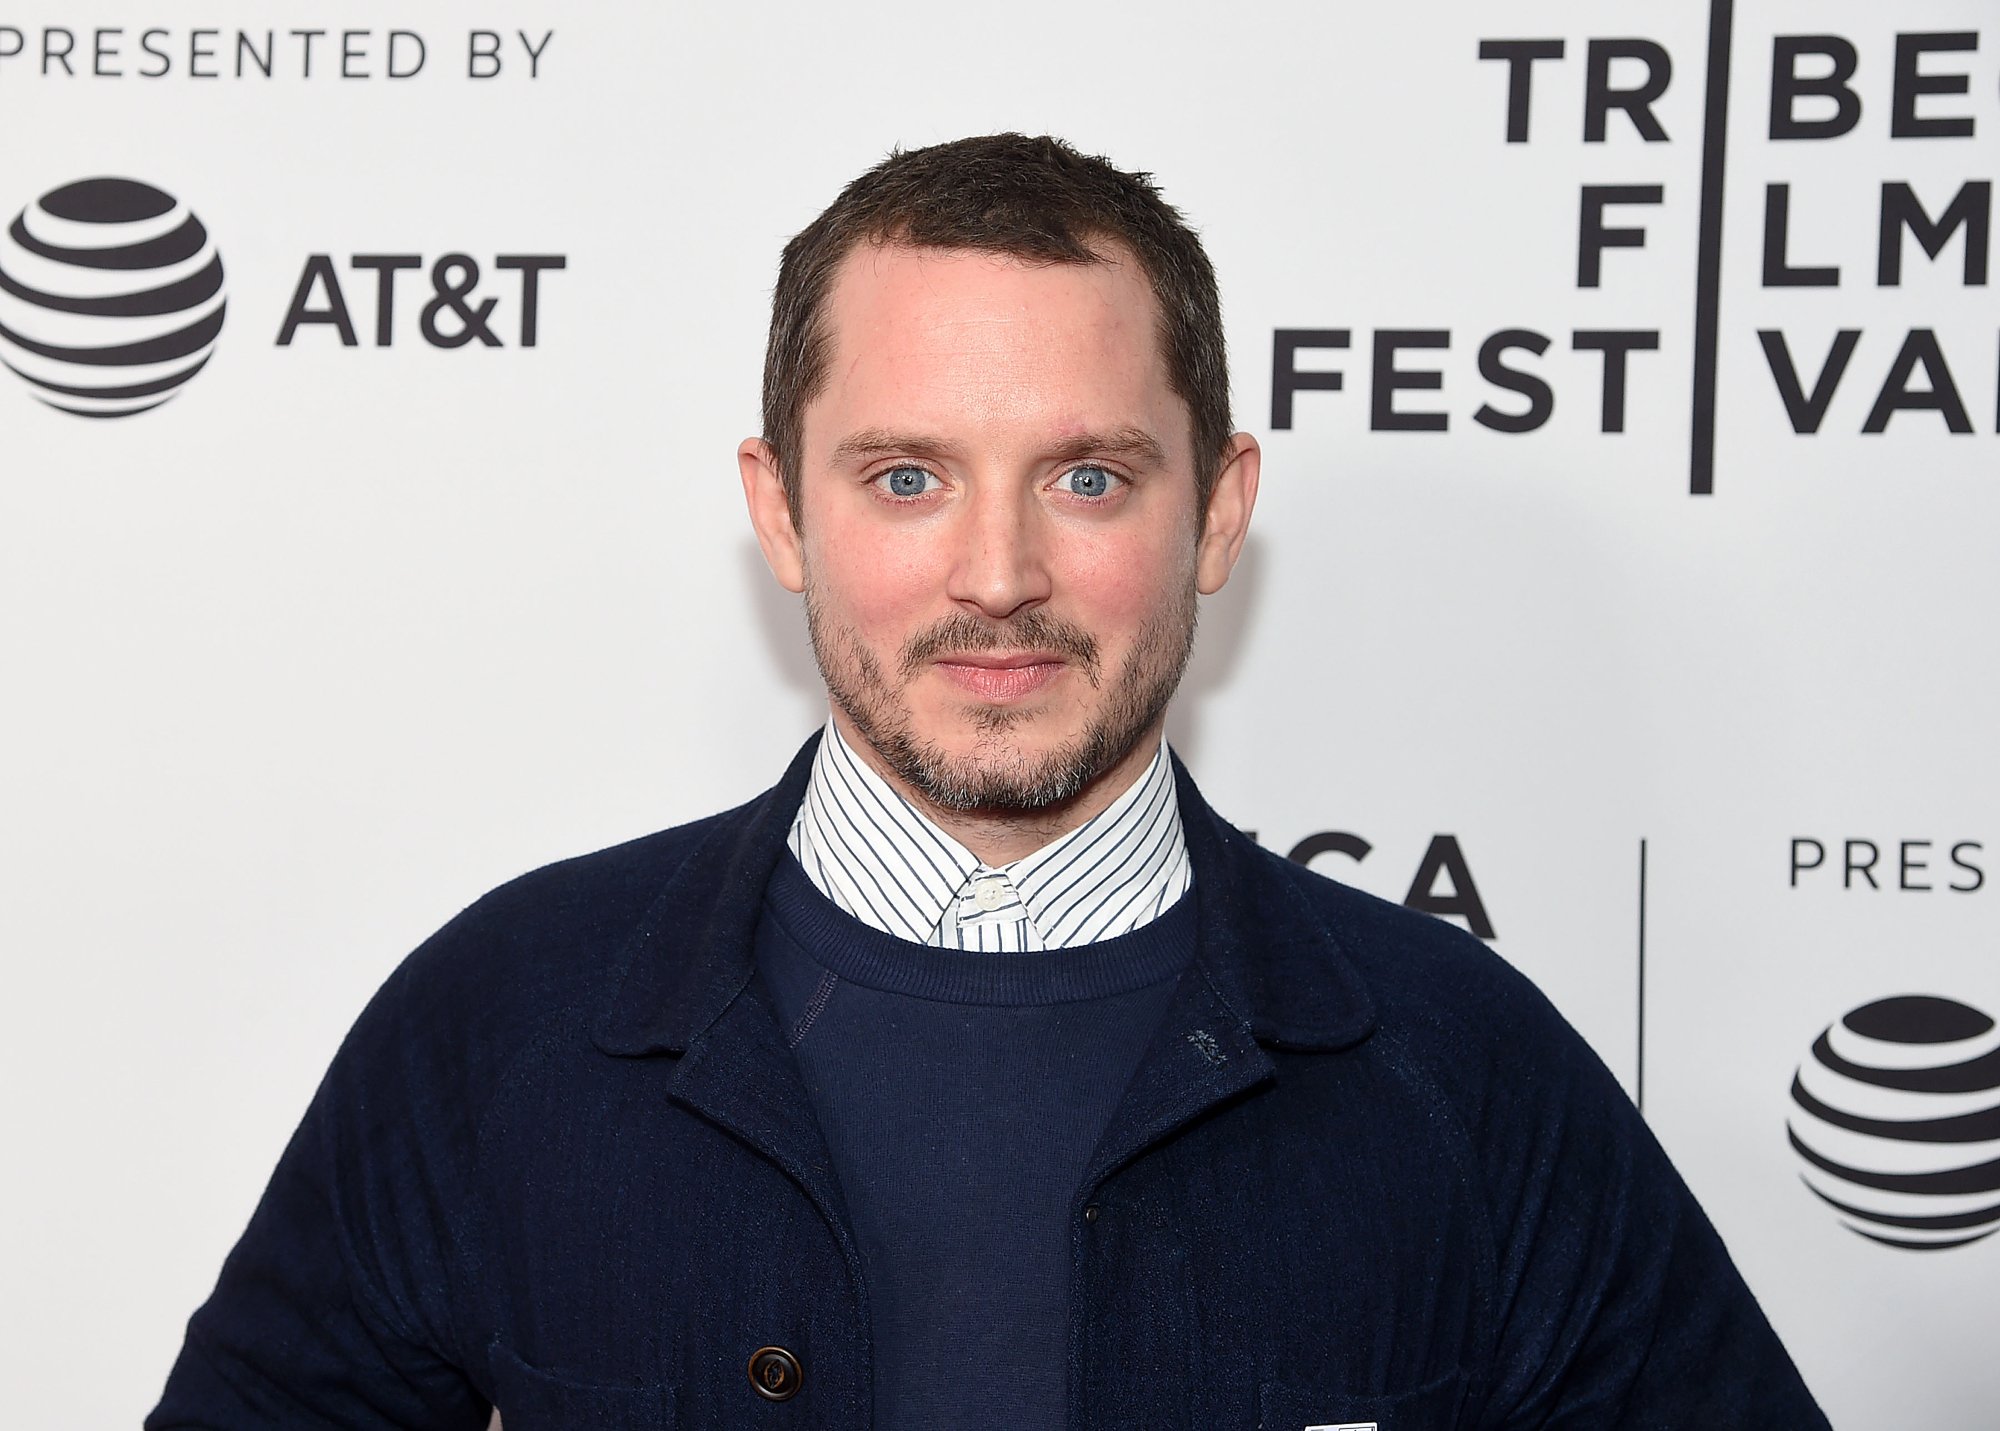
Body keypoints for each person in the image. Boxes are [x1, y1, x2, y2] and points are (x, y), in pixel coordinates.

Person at [150, 134, 1829, 1430]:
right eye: (905, 478)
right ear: (785, 512)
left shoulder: (1463, 1071)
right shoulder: (496, 1026)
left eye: (1089, 476)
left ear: (1220, 512)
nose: (999, 571)